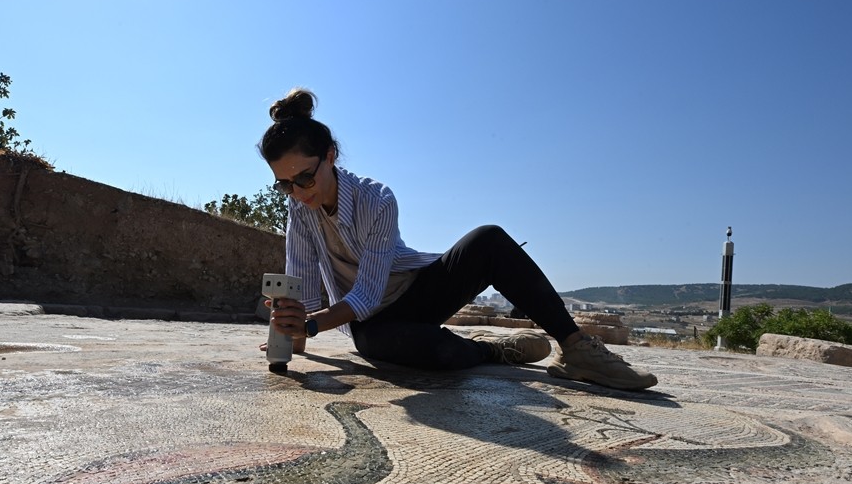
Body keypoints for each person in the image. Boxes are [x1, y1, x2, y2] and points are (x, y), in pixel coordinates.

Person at [260, 88, 657, 391]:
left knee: (489, 239)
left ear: (330, 156)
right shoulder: (299, 210)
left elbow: (365, 293)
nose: (298, 192)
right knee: (432, 353)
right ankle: (491, 349)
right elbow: (305, 289)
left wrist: (310, 327)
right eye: (285, 185)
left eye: (305, 178)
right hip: (374, 325)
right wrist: (290, 338)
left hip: (415, 292)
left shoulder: (377, 200)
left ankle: (577, 348)